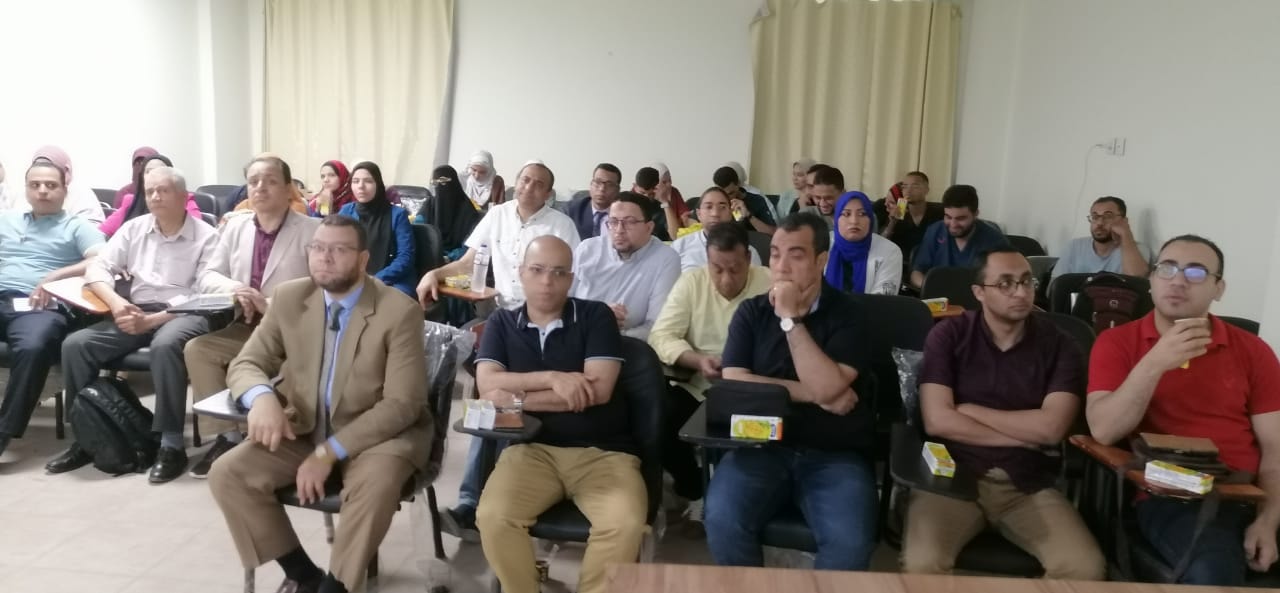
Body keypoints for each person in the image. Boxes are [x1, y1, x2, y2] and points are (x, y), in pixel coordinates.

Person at [208, 215, 431, 593]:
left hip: (377, 437)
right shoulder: (290, 298)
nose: (325, 258)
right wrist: (262, 398)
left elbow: (402, 404)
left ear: (363, 260)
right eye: (318, 248)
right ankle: (303, 575)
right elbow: (247, 363)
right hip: (306, 426)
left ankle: (337, 585)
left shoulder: (399, 311)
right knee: (228, 473)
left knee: (376, 484)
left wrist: (328, 453)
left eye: (339, 250)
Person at [1086, 235, 1280, 586]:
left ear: (1218, 288)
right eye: (1167, 268)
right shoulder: (1116, 342)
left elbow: (1275, 449)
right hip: (1176, 497)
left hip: (1254, 494)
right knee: (1212, 570)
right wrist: (1154, 363)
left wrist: (1268, 520)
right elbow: (1104, 430)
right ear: (1151, 279)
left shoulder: (1253, 350)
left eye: (1195, 272)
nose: (1177, 281)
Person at [903, 247, 1104, 579]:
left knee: (1084, 567)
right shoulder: (950, 335)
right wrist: (1021, 437)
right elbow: (938, 421)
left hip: (1028, 483)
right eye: (1006, 283)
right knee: (923, 562)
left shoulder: (1061, 345)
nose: (1021, 293)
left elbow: (1051, 429)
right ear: (979, 292)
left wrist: (969, 410)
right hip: (952, 478)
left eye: (1026, 281)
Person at [703, 212, 877, 570]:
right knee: (721, 519)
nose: (781, 267)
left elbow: (828, 384)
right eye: (775, 254)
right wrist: (816, 394)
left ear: (821, 260)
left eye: (795, 255)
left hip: (834, 453)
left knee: (850, 544)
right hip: (760, 446)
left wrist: (790, 320)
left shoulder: (852, 314)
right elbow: (735, 380)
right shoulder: (751, 312)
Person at [474, 235, 644, 593]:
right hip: (531, 451)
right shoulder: (502, 323)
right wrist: (554, 378)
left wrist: (516, 398)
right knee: (493, 517)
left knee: (624, 524)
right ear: (521, 273)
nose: (547, 281)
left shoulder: (595, 316)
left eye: (558, 272)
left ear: (571, 278)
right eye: (537, 270)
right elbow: (487, 385)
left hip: (605, 453)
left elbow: (598, 391)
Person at [45, 166, 217, 482]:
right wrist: (116, 303)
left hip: (184, 314)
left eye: (163, 190)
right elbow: (99, 268)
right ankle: (86, 436)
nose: (155, 196)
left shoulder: (207, 236)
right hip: (134, 310)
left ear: (183, 196)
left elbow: (204, 293)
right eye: (150, 191)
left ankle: (170, 443)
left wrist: (153, 320)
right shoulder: (134, 228)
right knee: (76, 345)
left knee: (165, 346)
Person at [184, 155, 320, 478]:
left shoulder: (313, 230)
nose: (260, 188)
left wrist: (269, 304)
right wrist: (237, 290)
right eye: (253, 181)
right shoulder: (236, 226)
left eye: (270, 181)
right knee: (198, 350)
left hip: (295, 331)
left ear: (288, 189)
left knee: (289, 373)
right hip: (246, 327)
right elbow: (207, 275)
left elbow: (322, 288)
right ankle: (226, 437)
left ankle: (281, 438)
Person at [648, 222, 772, 526]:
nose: (726, 279)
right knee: (658, 421)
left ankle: (739, 495)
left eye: (735, 269)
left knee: (764, 437)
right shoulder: (692, 282)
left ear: (749, 259)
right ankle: (696, 491)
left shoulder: (770, 283)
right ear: (707, 261)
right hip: (700, 383)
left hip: (752, 388)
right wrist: (697, 359)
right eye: (717, 269)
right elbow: (661, 336)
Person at [0, 160, 106, 457]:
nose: (42, 191)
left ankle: (4, 431)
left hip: (40, 306)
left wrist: (55, 276)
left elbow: (103, 259)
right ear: (26, 189)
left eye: (51, 185)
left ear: (64, 190)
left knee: (32, 347)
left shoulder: (77, 227)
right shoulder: (6, 220)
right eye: (35, 185)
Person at [418, 162, 579, 312]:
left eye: (539, 184)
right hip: (501, 310)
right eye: (525, 180)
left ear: (548, 194)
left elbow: (574, 276)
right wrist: (433, 275)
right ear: (516, 183)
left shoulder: (563, 225)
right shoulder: (497, 214)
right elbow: (467, 264)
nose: (529, 187)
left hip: (544, 312)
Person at [570, 192, 681, 340]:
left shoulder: (665, 259)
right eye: (613, 221)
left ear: (649, 227)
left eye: (629, 222)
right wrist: (599, 317)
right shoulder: (587, 250)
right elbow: (562, 303)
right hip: (575, 334)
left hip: (626, 344)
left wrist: (608, 333)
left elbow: (657, 326)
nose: (619, 230)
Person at [336, 162, 415, 298]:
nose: (361, 186)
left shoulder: (397, 214)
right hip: (353, 277)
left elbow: (405, 256)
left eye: (368, 181)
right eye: (355, 181)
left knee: (387, 304)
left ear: (378, 184)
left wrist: (377, 279)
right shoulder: (346, 211)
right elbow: (336, 248)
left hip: (393, 280)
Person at [910, 184, 1009, 289]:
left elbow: (1005, 281)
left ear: (976, 214)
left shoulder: (994, 240)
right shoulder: (935, 231)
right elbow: (917, 273)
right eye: (948, 217)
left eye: (960, 218)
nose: (953, 225)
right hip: (937, 295)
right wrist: (933, 288)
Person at [99, 154, 202, 237]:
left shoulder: (183, 200)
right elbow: (101, 232)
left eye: (160, 171)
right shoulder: (131, 202)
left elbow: (196, 232)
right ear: (142, 177)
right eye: (148, 171)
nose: (154, 175)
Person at [1051, 196, 1151, 281]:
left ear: (1124, 221)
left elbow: (1136, 280)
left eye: (1108, 216)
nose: (1099, 223)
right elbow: (1054, 286)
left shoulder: (1138, 249)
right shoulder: (1074, 247)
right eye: (1095, 217)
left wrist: (1126, 234)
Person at [825, 191, 903, 294]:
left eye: (862, 214)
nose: (854, 221)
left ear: (871, 219)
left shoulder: (890, 251)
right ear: (836, 220)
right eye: (846, 214)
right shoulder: (821, 244)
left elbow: (883, 300)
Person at [6, 146, 106, 224]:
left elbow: (93, 231)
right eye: (39, 166)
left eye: (50, 185)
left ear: (65, 170)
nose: (42, 190)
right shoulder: (22, 191)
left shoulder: (82, 194)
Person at [671, 187, 762, 272]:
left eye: (722, 207)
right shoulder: (679, 247)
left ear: (730, 213)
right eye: (709, 207)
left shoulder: (747, 253)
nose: (715, 214)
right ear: (699, 214)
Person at [875, 171, 943, 277]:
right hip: (899, 267)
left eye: (915, 186)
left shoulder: (938, 212)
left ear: (926, 190)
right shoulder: (900, 211)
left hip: (929, 267)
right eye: (905, 186)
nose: (908, 190)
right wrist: (892, 222)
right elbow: (881, 244)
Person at [417, 165, 481, 260]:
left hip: (456, 262)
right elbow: (417, 231)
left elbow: (469, 245)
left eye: (443, 182)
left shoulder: (468, 212)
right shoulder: (429, 206)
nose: (439, 187)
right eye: (435, 183)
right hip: (428, 257)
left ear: (454, 183)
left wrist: (449, 257)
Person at [565, 163, 622, 240]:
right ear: (591, 184)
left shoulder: (623, 215)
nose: (602, 189)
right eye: (598, 182)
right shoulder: (571, 211)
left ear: (617, 190)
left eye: (609, 185)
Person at [714, 165, 776, 235]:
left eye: (731, 193)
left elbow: (772, 232)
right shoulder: (714, 202)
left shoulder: (757, 200)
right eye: (723, 194)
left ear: (738, 184)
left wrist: (749, 215)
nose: (727, 198)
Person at [631, 166, 683, 240]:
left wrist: (665, 201)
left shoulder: (661, 205)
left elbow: (676, 236)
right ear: (634, 186)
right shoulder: (626, 201)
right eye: (642, 193)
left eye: (651, 194)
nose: (646, 197)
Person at [798, 166, 843, 231]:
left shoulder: (853, 217)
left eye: (828, 198)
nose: (822, 203)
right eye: (818, 198)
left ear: (843, 193)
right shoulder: (808, 214)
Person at [652, 162, 692, 226]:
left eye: (670, 179)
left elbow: (684, 213)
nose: (669, 184)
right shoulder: (650, 198)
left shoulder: (674, 191)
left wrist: (686, 217)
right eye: (664, 182)